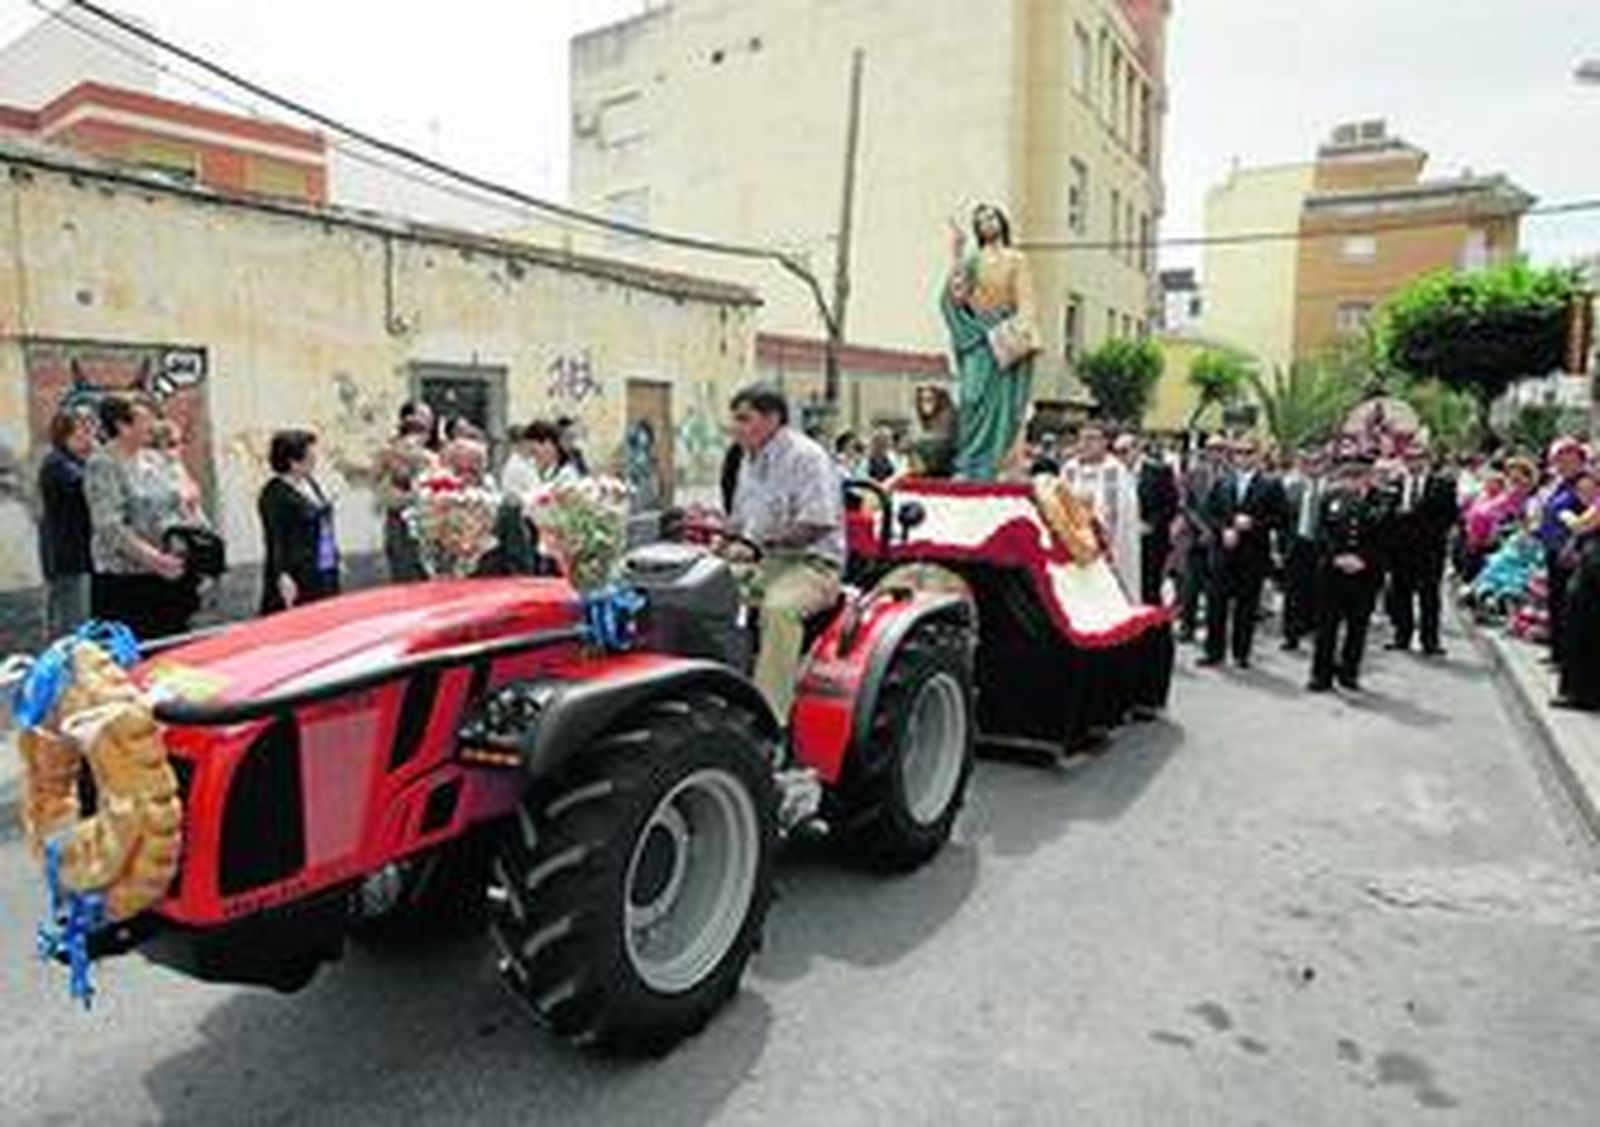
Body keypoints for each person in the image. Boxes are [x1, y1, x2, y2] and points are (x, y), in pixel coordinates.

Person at [722, 385, 844, 721]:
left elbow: (817, 523)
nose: (735, 427)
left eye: (744, 419)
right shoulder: (749, 459)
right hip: (764, 562)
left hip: (812, 566)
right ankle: (721, 688)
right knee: (704, 591)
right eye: (735, 419)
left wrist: (762, 543)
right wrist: (720, 541)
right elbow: (739, 521)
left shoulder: (806, 457)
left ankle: (768, 717)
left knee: (778, 610)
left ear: (773, 418)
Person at [84, 395, 195, 640]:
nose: (153, 427)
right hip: (125, 581)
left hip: (166, 574)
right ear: (123, 426)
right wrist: (155, 560)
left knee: (174, 652)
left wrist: (181, 550)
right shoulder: (103, 464)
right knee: (135, 658)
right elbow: (109, 526)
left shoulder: (153, 459)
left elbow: (177, 502)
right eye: (145, 420)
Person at [941, 203, 1038, 481]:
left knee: (1005, 405)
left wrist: (1018, 334)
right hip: (977, 336)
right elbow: (957, 297)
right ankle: (971, 461)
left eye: (991, 217)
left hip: (1005, 336)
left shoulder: (1016, 258)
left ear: (1002, 222)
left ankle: (998, 463)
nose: (987, 223)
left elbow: (1026, 301)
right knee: (971, 397)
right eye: (981, 220)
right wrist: (957, 253)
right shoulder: (972, 260)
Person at [1199, 436, 1286, 669]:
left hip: (1253, 554)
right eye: (1238, 452)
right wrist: (1223, 529)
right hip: (1223, 552)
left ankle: (1241, 653)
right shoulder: (1222, 481)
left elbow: (1281, 518)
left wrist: (1254, 523)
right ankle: (1213, 651)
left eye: (1248, 452)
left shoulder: (1271, 484)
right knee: (1216, 603)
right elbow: (1209, 512)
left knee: (1246, 606)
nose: (1243, 457)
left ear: (1257, 455)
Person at [1308, 455, 1385, 692]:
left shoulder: (1382, 500)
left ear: (1369, 479)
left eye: (1360, 477)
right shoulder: (1330, 498)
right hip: (1333, 571)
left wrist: (1364, 559)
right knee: (1327, 625)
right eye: (1349, 477)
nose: (1354, 483)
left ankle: (1349, 673)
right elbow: (1321, 532)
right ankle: (1321, 674)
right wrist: (1337, 557)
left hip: (1365, 573)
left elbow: (1385, 537)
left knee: (1357, 626)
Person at [1383, 443, 1458, 656]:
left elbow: (1449, 517)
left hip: (1429, 549)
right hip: (1400, 551)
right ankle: (1402, 636)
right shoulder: (1395, 484)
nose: (1414, 462)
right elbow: (1387, 516)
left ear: (1427, 460)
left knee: (1429, 597)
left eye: (1418, 458)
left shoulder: (1442, 485)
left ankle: (1430, 641)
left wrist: (1421, 524)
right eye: (1410, 458)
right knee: (1401, 595)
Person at [258, 429, 340, 614]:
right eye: (310, 457)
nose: (315, 461)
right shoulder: (275, 494)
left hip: (323, 566)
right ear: (293, 462)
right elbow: (276, 537)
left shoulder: (309, 483)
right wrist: (283, 575)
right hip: (299, 573)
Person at [1061, 424, 1142, 599]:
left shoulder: (1117, 472)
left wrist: (1109, 546)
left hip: (1107, 548)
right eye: (1082, 439)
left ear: (1105, 443)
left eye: (1092, 438)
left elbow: (1125, 515)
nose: (1085, 444)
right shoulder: (1069, 470)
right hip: (1074, 548)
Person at [37, 406, 97, 637]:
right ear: (66, 435)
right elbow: (89, 489)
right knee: (71, 621)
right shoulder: (58, 464)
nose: (91, 437)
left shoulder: (75, 463)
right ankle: (65, 668)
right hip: (67, 556)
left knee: (78, 618)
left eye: (92, 430)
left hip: (78, 554)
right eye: (83, 432)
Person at [1538, 438, 1588, 668]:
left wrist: (1572, 544)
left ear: (1579, 460)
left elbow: (1584, 521)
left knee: (1566, 606)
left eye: (1567, 459)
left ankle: (1565, 656)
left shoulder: (1583, 484)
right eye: (1558, 460)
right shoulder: (1562, 484)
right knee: (1555, 603)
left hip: (1569, 553)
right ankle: (1556, 651)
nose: (1561, 464)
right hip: (1553, 549)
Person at [375, 402, 438, 582]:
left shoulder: (430, 457)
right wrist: (416, 495)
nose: (429, 428)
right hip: (401, 525)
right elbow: (384, 494)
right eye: (424, 422)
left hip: (429, 525)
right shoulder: (388, 454)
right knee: (405, 577)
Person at [1553, 469, 1600, 710]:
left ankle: (1580, 693)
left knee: (1582, 629)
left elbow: (1582, 526)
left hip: (1592, 575)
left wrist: (1566, 515)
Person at [1176, 434, 1229, 643]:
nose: (1216, 453)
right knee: (1191, 585)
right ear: (1206, 451)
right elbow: (1186, 505)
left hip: (1219, 539)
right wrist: (1202, 528)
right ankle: (1186, 627)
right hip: (1195, 536)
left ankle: (1212, 631)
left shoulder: (1230, 475)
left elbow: (1231, 509)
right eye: (1212, 449)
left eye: (1220, 449)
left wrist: (1215, 530)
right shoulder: (1194, 473)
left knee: (1216, 588)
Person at [1279, 447, 1326, 651]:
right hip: (1297, 543)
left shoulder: (1328, 489)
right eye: (1307, 463)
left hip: (1321, 545)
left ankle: (1315, 628)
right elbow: (1282, 519)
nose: (1312, 467)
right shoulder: (1293, 487)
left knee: (1319, 589)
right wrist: (1280, 548)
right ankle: (1291, 634)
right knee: (1293, 591)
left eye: (1316, 462)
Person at [1133, 435, 1181, 607]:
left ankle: (1154, 628)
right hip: (1126, 540)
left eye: (1125, 451)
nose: (1122, 456)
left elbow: (1172, 503)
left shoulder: (1159, 471)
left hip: (1153, 540)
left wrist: (1151, 523)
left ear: (1137, 450)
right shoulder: (1116, 474)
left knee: (1150, 588)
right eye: (1117, 452)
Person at [912, 385, 959, 477]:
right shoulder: (929, 420)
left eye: (929, 400)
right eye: (921, 400)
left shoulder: (947, 416)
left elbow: (941, 442)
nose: (924, 405)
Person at [499, 424, 540, 500]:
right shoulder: (514, 465)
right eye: (530, 442)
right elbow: (513, 494)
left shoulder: (529, 461)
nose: (533, 445)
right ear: (521, 443)